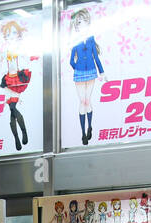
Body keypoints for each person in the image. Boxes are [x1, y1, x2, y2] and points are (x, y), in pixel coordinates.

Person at [68, 8, 104, 145]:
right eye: (77, 23)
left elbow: (96, 57)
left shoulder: (91, 39)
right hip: (79, 74)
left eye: (81, 22)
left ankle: (90, 127)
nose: (79, 24)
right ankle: (83, 132)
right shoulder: (74, 42)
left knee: (87, 101)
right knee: (82, 101)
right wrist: (76, 68)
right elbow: (71, 60)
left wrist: (102, 72)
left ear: (87, 22)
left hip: (91, 72)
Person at [0, 21, 37, 151]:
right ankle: (17, 137)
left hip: (17, 79)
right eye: (8, 33)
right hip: (7, 79)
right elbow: (0, 63)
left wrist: (33, 57)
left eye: (14, 32)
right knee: (11, 109)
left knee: (12, 107)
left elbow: (28, 57)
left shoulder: (21, 47)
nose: (11, 35)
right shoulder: (4, 50)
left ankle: (23, 133)